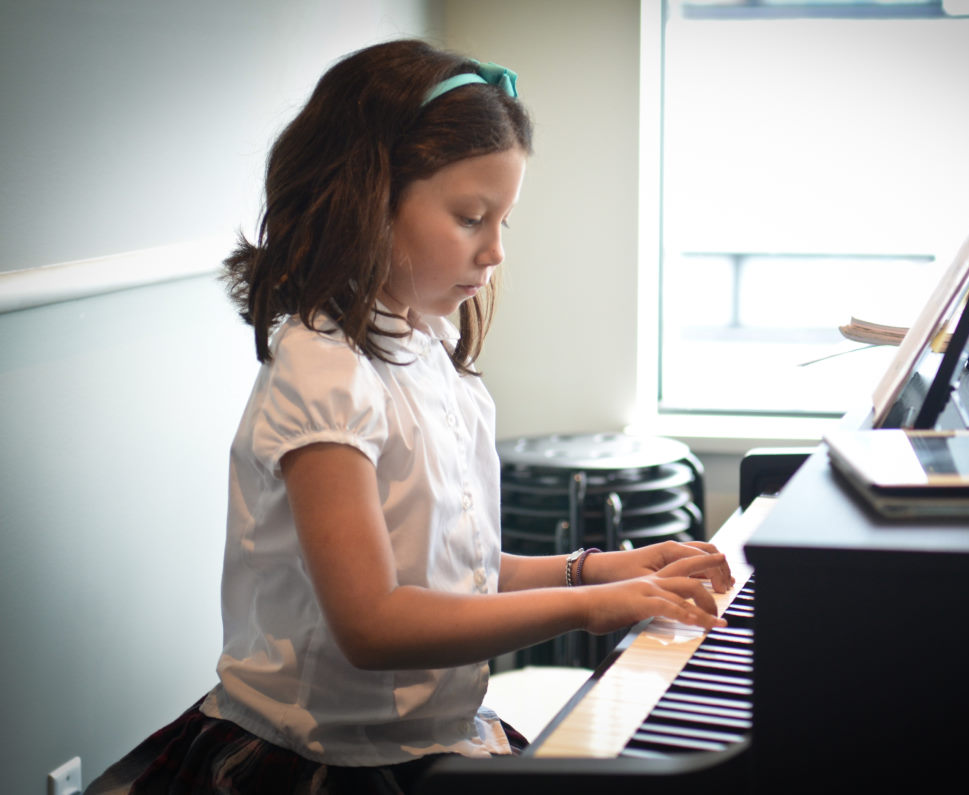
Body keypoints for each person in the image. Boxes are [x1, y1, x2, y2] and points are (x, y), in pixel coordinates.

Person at [87, 38, 732, 794]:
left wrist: (594, 566)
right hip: (325, 759)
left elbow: (456, 578)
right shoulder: (323, 374)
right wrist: (589, 605)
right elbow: (374, 621)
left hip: (426, 735)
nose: (494, 252)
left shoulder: (427, 347)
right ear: (365, 200)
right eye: (470, 217)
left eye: (504, 223)